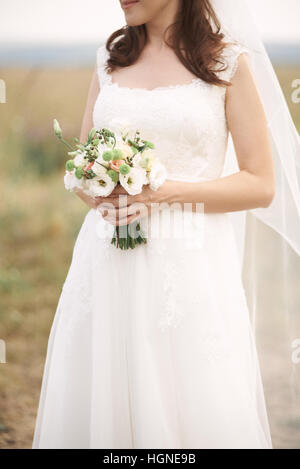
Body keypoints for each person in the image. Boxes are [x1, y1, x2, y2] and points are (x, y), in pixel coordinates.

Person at [34, 0, 298, 449]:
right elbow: (82, 167)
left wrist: (160, 193)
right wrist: (100, 193)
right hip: (105, 260)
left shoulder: (226, 63)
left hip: (190, 265)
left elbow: (260, 185)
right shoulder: (109, 59)